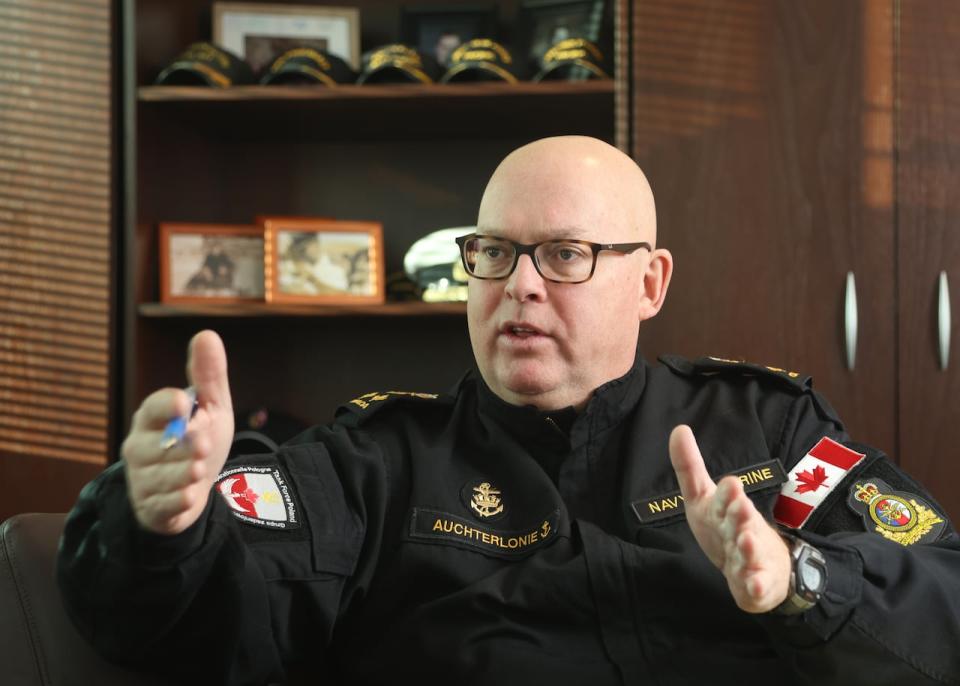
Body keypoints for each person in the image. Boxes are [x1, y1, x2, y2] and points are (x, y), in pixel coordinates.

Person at [57, 136, 960, 685]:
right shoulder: (376, 463)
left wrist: (801, 581)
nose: (519, 288)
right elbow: (211, 627)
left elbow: (944, 601)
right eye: (493, 252)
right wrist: (159, 526)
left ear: (649, 283)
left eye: (564, 254)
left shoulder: (761, 431)